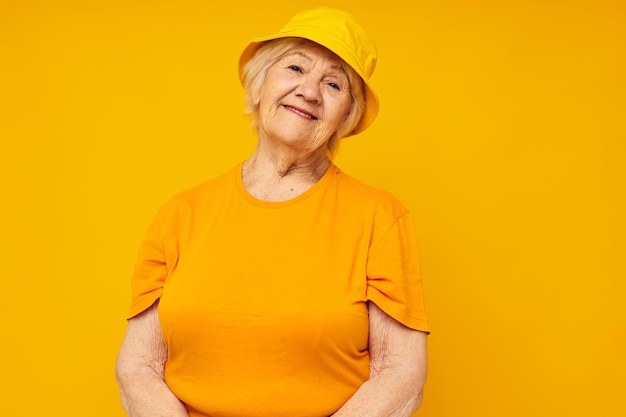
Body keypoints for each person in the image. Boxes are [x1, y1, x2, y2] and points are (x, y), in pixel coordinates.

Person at [115, 7, 430, 417]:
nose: (310, 91)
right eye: (295, 67)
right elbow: (138, 366)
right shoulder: (180, 214)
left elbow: (401, 372)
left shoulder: (379, 217)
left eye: (334, 84)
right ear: (260, 83)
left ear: (345, 117)